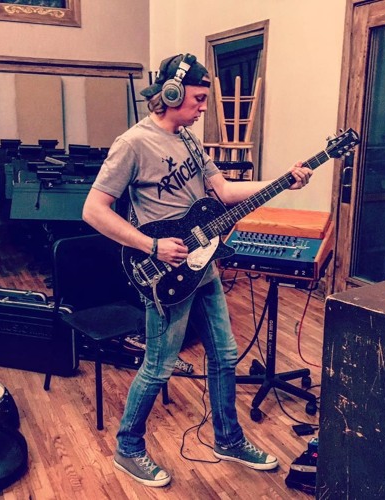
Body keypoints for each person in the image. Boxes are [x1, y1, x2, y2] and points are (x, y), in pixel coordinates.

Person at [82, 53, 313, 488]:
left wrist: (282, 182)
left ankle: (228, 439)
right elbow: (93, 209)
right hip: (164, 273)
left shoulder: (189, 140)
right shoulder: (133, 144)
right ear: (171, 94)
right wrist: (151, 244)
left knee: (224, 355)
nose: (205, 107)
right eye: (199, 98)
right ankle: (128, 447)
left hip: (202, 268)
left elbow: (222, 190)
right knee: (159, 366)